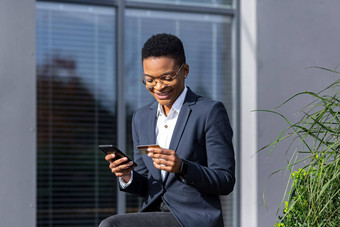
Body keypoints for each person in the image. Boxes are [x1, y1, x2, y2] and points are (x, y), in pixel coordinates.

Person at [99, 33, 235, 227]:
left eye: (167, 78)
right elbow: (148, 185)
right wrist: (126, 176)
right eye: (150, 80)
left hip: (193, 218)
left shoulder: (209, 112)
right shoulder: (141, 117)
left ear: (185, 71)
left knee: (112, 225)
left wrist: (183, 167)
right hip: (156, 215)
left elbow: (225, 180)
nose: (158, 87)